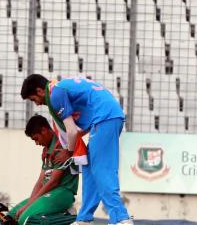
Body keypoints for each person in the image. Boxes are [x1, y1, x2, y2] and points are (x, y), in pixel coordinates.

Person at [20, 74, 132, 225]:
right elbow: (76, 130)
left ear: (40, 91)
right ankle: (84, 219)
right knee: (89, 169)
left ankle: (121, 218)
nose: (37, 104)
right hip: (104, 118)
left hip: (105, 118)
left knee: (102, 170)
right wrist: (68, 146)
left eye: (34, 100)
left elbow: (72, 131)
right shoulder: (58, 88)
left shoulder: (55, 95)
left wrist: (68, 152)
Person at [8, 115, 79, 225]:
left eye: (36, 138)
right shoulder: (46, 151)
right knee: (12, 216)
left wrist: (28, 206)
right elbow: (40, 182)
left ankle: (71, 218)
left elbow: (53, 182)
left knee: (25, 219)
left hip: (63, 192)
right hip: (49, 193)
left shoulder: (60, 146)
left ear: (44, 130)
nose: (36, 143)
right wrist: (29, 203)